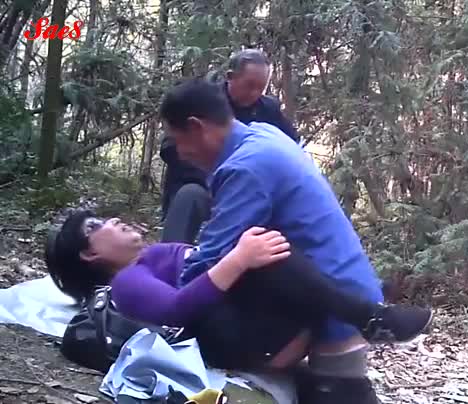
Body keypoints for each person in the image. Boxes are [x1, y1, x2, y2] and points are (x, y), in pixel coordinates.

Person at [161, 78, 431, 404]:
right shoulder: (264, 135)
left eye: (178, 141)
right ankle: (368, 322)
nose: (181, 154)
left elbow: (204, 271)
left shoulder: (245, 168)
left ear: (196, 127)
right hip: (343, 287)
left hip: (322, 303)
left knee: (337, 388)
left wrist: (177, 277)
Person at [44, 211, 432, 372]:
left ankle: (358, 298)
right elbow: (178, 310)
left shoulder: (153, 255)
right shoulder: (126, 281)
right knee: (265, 257)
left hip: (255, 327)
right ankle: (370, 316)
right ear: (89, 254)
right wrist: (241, 258)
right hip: (242, 342)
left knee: (271, 244)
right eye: (95, 226)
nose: (113, 220)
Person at [159, 48, 298, 244]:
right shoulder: (203, 100)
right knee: (189, 196)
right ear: (230, 76)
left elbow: (291, 145)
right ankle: (169, 255)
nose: (255, 93)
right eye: (250, 85)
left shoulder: (268, 109)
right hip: (200, 184)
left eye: (261, 88)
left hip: (246, 189)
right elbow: (169, 147)